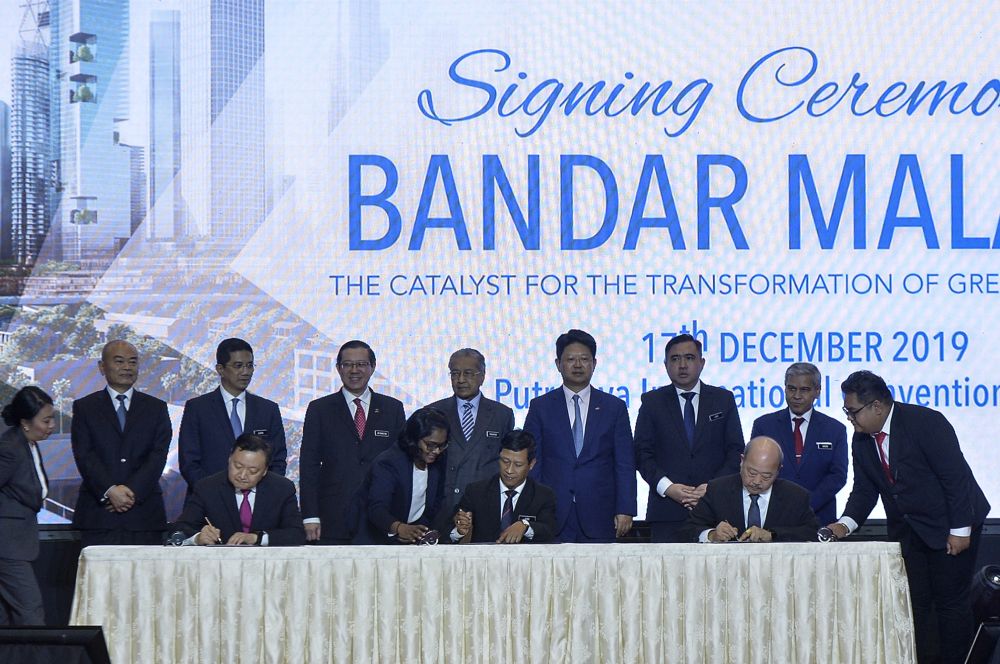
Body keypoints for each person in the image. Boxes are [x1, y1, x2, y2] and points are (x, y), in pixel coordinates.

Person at [826, 371, 990, 664]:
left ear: (877, 406)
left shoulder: (926, 422)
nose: (849, 418)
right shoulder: (861, 440)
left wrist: (960, 530)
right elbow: (865, 490)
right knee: (916, 605)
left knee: (950, 605)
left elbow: (954, 478)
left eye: (852, 411)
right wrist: (844, 524)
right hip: (909, 531)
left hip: (950, 525)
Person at [523, 329, 635, 543]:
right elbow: (533, 464)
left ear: (594, 363)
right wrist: (531, 509)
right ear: (558, 364)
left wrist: (626, 508)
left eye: (584, 359)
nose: (577, 365)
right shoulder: (541, 407)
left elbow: (625, 463)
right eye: (570, 359)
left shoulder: (614, 407)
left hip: (600, 513)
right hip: (551, 513)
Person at [634, 333, 744, 542]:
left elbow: (735, 451)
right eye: (675, 359)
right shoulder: (652, 402)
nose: (682, 365)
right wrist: (668, 488)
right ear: (666, 365)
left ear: (702, 363)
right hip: (667, 511)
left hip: (716, 510)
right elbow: (642, 454)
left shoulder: (723, 399)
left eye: (689, 358)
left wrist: (711, 488)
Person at [299, 340, 406, 544]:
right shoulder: (319, 409)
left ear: (372, 367)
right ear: (338, 368)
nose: (354, 370)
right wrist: (310, 515)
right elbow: (309, 465)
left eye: (361, 364)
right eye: (347, 364)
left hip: (381, 517)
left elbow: (400, 465)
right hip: (332, 517)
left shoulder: (393, 409)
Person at [71, 340, 171, 547]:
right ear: (102, 367)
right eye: (119, 361)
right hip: (99, 515)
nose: (127, 367)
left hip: (144, 515)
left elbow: (158, 455)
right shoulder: (85, 408)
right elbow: (84, 455)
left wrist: (131, 491)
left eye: (132, 362)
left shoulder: (156, 408)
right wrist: (110, 490)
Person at [178, 338, 286, 491]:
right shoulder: (197, 408)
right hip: (209, 502)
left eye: (250, 366)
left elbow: (278, 460)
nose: (246, 372)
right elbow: (189, 462)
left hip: (258, 503)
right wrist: (214, 497)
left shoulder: (268, 409)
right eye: (238, 366)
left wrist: (261, 495)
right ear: (220, 369)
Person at [750, 362, 848, 524]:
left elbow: (838, 476)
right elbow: (755, 470)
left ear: (817, 391)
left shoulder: (835, 429)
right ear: (785, 389)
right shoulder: (764, 425)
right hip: (773, 516)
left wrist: (806, 505)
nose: (796, 396)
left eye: (804, 390)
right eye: (791, 388)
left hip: (819, 517)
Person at [427, 348, 514, 517]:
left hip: (486, 507)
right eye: (454, 373)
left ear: (482, 375)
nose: (460, 380)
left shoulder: (502, 414)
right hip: (442, 507)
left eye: (468, 373)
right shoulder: (433, 412)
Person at [177, 434, 305, 546]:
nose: (242, 475)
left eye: (253, 471)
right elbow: (180, 529)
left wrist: (256, 538)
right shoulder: (207, 487)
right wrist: (198, 537)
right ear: (229, 460)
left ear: (265, 471)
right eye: (237, 466)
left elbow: (296, 533)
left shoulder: (282, 488)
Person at [684, 436, 819, 543]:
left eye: (766, 476)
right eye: (752, 473)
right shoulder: (718, 489)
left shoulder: (796, 496)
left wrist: (772, 534)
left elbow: (812, 532)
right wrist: (711, 534)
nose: (756, 482)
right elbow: (688, 529)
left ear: (778, 471)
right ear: (742, 461)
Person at [0, 386, 55, 625]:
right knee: (30, 612)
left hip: (17, 544)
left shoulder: (27, 443)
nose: (52, 425)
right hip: (6, 546)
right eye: (46, 420)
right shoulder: (10, 449)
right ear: (25, 422)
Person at [357, 407, 449, 544]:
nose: (436, 451)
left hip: (412, 542)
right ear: (414, 438)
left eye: (442, 446)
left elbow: (434, 504)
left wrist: (417, 532)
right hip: (375, 540)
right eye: (430, 445)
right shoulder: (388, 462)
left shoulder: (438, 461)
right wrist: (399, 528)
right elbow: (377, 508)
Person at [452, 429, 557, 544]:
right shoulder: (476, 492)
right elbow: (450, 528)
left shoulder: (543, 495)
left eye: (518, 465)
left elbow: (549, 531)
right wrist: (459, 529)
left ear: (531, 464)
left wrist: (525, 526)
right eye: (505, 461)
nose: (509, 470)